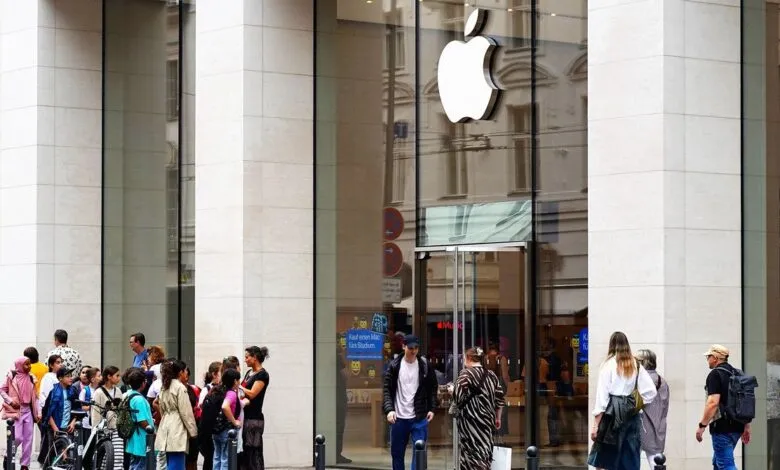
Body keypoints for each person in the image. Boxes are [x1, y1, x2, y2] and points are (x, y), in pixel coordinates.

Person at [588, 332, 657, 470]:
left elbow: (602, 399)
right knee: (630, 457)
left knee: (606, 459)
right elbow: (651, 391)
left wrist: (595, 426)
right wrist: (633, 403)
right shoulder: (636, 365)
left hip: (612, 416)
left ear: (612, 345)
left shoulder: (608, 365)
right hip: (631, 416)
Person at [382, 334, 438, 470]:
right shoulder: (395, 366)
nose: (413, 351)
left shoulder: (424, 365)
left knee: (419, 454)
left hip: (419, 417)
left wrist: (432, 408)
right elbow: (387, 390)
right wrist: (389, 410)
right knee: (397, 454)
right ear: (403, 347)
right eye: (410, 348)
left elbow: (432, 387)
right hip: (399, 418)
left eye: (416, 348)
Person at [696, 345, 751, 470]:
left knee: (726, 465)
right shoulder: (738, 373)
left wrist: (702, 426)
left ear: (715, 358)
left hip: (722, 427)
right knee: (718, 462)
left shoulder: (715, 374)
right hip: (738, 426)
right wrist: (746, 425)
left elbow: (712, 403)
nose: (707, 359)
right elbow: (746, 401)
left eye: (708, 356)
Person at [450, 347, 505, 470]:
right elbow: (500, 400)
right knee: (484, 453)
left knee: (470, 456)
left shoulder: (465, 374)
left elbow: (458, 398)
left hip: (470, 423)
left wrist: (452, 390)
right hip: (487, 424)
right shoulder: (491, 375)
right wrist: (498, 418)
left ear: (468, 358)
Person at [155, 360, 198, 470]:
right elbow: (186, 412)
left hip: (165, 425)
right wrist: (193, 432)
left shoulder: (164, 386)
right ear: (180, 372)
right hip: (177, 427)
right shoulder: (180, 387)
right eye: (185, 371)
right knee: (177, 463)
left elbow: (161, 408)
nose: (186, 373)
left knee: (169, 462)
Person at [1, 357, 40, 470]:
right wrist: (10, 401)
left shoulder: (32, 378)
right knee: (17, 437)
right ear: (19, 365)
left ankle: (24, 465)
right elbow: (2, 390)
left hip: (28, 411)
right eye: (26, 365)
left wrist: (38, 412)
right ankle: (8, 455)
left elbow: (36, 397)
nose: (29, 367)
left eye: (29, 364)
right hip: (16, 411)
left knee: (28, 439)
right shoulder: (11, 376)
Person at [635, 349, 669, 467]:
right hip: (658, 426)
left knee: (633, 461)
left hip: (640, 426)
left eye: (637, 360)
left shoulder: (640, 380)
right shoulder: (662, 381)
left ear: (643, 362)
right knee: (656, 461)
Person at [239, 347, 270, 470]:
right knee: (246, 452)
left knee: (254, 451)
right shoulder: (249, 373)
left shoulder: (262, 375)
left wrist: (238, 386)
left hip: (254, 418)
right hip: (245, 416)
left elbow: (252, 393)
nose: (245, 360)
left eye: (247, 357)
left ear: (255, 358)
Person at [43, 368, 78, 466]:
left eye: (71, 376)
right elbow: (48, 412)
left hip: (68, 427)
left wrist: (73, 422)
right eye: (68, 376)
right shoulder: (54, 392)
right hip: (54, 427)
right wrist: (55, 428)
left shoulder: (73, 391)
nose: (71, 378)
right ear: (60, 378)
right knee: (52, 451)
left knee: (67, 452)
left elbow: (77, 408)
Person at [94, 366, 124, 469]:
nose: (119, 378)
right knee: (104, 456)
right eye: (117, 375)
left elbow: (121, 409)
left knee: (118, 455)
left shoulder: (118, 391)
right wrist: (96, 429)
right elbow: (95, 413)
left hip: (117, 427)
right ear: (109, 376)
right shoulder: (98, 392)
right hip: (103, 429)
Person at [123, 368, 154, 470]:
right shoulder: (139, 399)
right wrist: (152, 431)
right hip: (142, 438)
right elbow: (142, 421)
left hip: (133, 438)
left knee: (134, 465)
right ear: (143, 383)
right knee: (140, 466)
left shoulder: (127, 395)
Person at [213, 369, 242, 470]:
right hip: (226, 430)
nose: (239, 383)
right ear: (234, 381)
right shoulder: (231, 393)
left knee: (217, 458)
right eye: (238, 380)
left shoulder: (219, 390)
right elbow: (225, 406)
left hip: (216, 429)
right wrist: (234, 421)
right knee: (225, 459)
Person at [37, 354, 62, 466]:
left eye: (61, 362)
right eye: (57, 362)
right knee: (48, 440)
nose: (60, 364)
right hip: (50, 414)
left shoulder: (61, 377)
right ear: (51, 365)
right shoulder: (48, 377)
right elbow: (45, 397)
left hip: (60, 414)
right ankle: (44, 464)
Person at [199, 362, 222, 470]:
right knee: (210, 458)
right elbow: (201, 406)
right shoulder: (206, 389)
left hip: (218, 428)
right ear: (214, 374)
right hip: (209, 429)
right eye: (221, 372)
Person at [77, 367, 100, 445]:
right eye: (99, 376)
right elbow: (82, 407)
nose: (101, 378)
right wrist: (93, 406)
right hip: (87, 424)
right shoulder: (85, 391)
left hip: (98, 424)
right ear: (93, 379)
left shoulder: (100, 390)